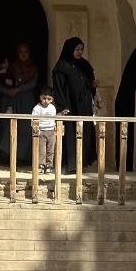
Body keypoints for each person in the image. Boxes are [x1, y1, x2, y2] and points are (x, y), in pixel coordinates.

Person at [52, 36, 97, 172]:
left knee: (84, 134)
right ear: (70, 49)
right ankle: (70, 165)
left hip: (84, 106)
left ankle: (82, 164)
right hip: (70, 106)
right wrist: (62, 106)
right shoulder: (62, 67)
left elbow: (90, 82)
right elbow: (58, 88)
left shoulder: (84, 64)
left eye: (81, 49)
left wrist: (93, 86)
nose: (80, 52)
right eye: (77, 49)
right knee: (71, 135)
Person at [0, 42, 38, 164]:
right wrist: (8, 91)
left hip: (27, 103)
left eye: (26, 52)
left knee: (25, 129)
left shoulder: (33, 69)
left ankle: (24, 160)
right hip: (12, 102)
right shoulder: (11, 68)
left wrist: (19, 89)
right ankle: (8, 159)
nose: (23, 54)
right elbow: (0, 83)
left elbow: (33, 83)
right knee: (10, 129)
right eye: (21, 52)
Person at [32, 87, 58, 174]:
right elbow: (33, 120)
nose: (46, 101)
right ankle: (41, 166)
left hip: (51, 131)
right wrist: (36, 129)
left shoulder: (52, 108)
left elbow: (54, 119)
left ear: (52, 99)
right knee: (41, 150)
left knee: (51, 150)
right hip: (41, 131)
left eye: (49, 99)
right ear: (40, 97)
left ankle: (49, 166)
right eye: (44, 98)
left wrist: (55, 127)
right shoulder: (37, 108)